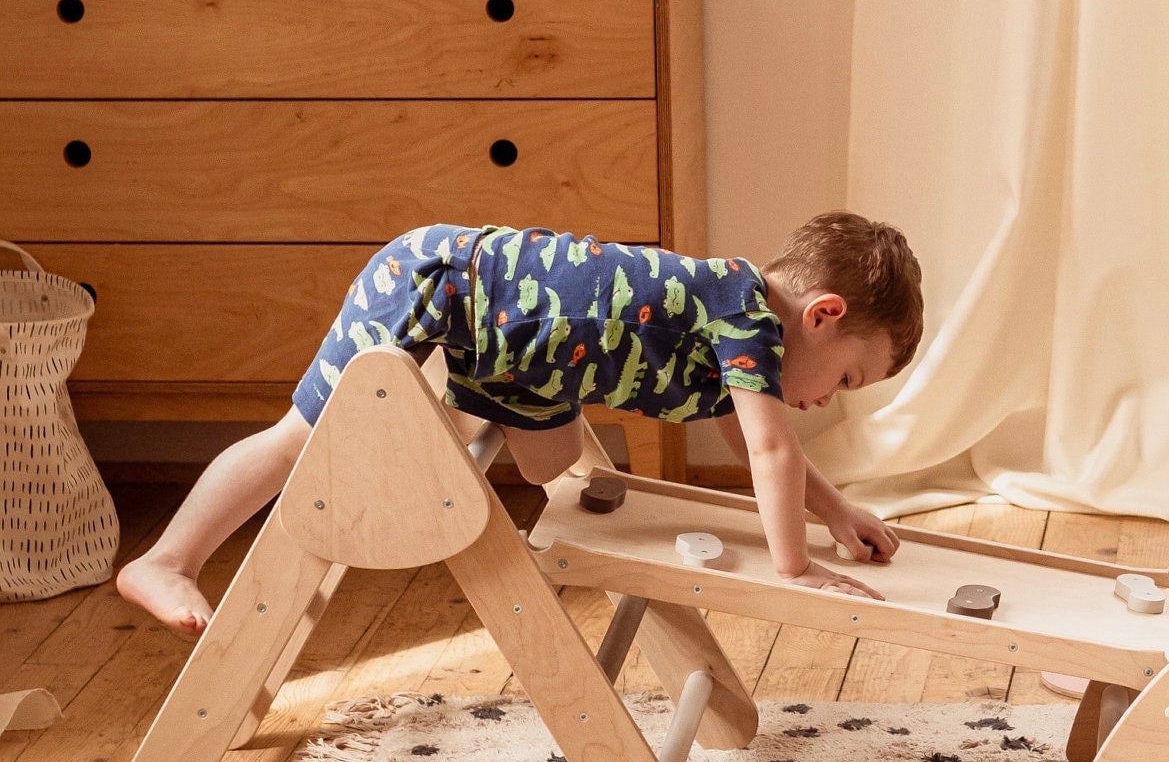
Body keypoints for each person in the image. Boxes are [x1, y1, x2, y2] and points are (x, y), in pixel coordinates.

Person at [117, 210, 924, 639]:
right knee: (301, 438)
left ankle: (420, 472)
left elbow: (751, 436)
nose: (828, 399)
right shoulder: (743, 310)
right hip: (441, 282)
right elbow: (769, 448)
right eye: (847, 377)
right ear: (821, 314)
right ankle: (166, 559)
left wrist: (838, 513)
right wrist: (796, 569)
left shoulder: (738, 339)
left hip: (526, 356)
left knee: (554, 467)